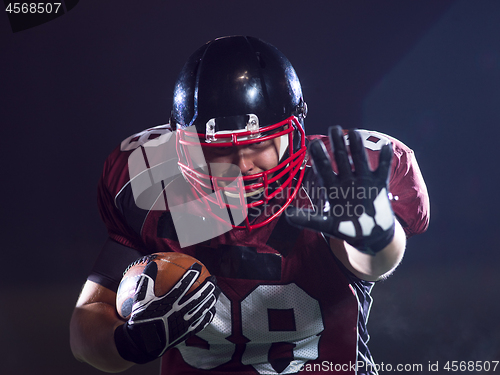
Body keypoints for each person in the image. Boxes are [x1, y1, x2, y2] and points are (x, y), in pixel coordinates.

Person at [70, 35, 429, 375]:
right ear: (184, 144)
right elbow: (85, 325)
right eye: (219, 148)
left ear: (295, 131)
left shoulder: (334, 176)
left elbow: (371, 264)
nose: (242, 165)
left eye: (258, 144)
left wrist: (375, 235)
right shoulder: (150, 183)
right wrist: (129, 343)